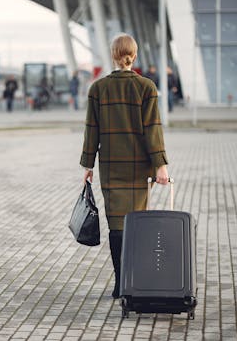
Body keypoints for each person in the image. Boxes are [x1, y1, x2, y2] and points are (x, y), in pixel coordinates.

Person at [80, 33, 169, 299]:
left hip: (111, 168)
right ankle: (134, 282)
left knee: (116, 226)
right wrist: (160, 165)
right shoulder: (146, 87)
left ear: (113, 55)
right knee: (137, 224)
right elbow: (153, 130)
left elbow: (91, 130)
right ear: (134, 54)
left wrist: (88, 164)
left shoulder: (98, 88)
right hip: (140, 169)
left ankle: (120, 283)